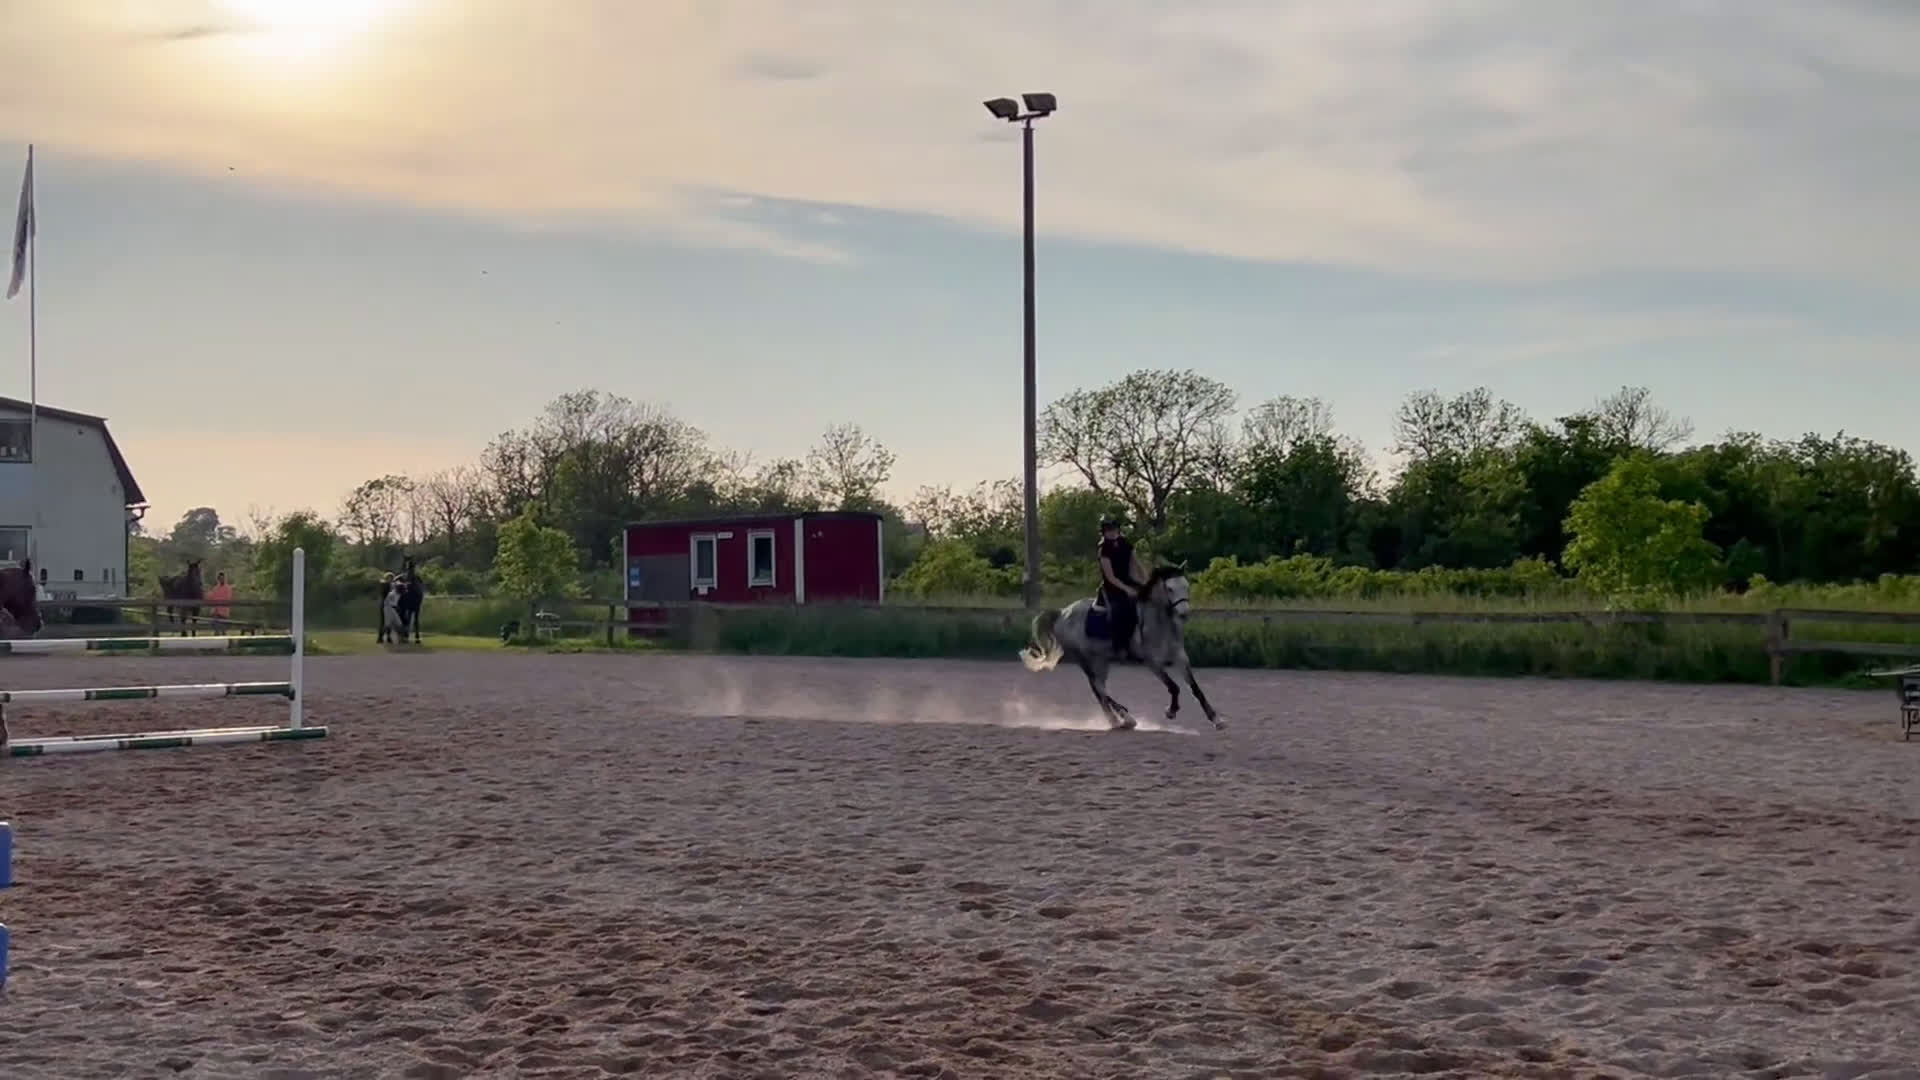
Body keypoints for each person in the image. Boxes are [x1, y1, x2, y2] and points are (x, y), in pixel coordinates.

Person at [1096, 515, 1143, 658]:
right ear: (1104, 532)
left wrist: (1146, 581)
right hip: (1113, 587)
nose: (1111, 532)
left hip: (1128, 581)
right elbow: (1110, 577)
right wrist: (1127, 589)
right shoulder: (1103, 550)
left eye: (1113, 529)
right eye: (1108, 530)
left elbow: (1137, 565)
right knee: (1121, 609)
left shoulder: (1126, 544)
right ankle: (1120, 646)